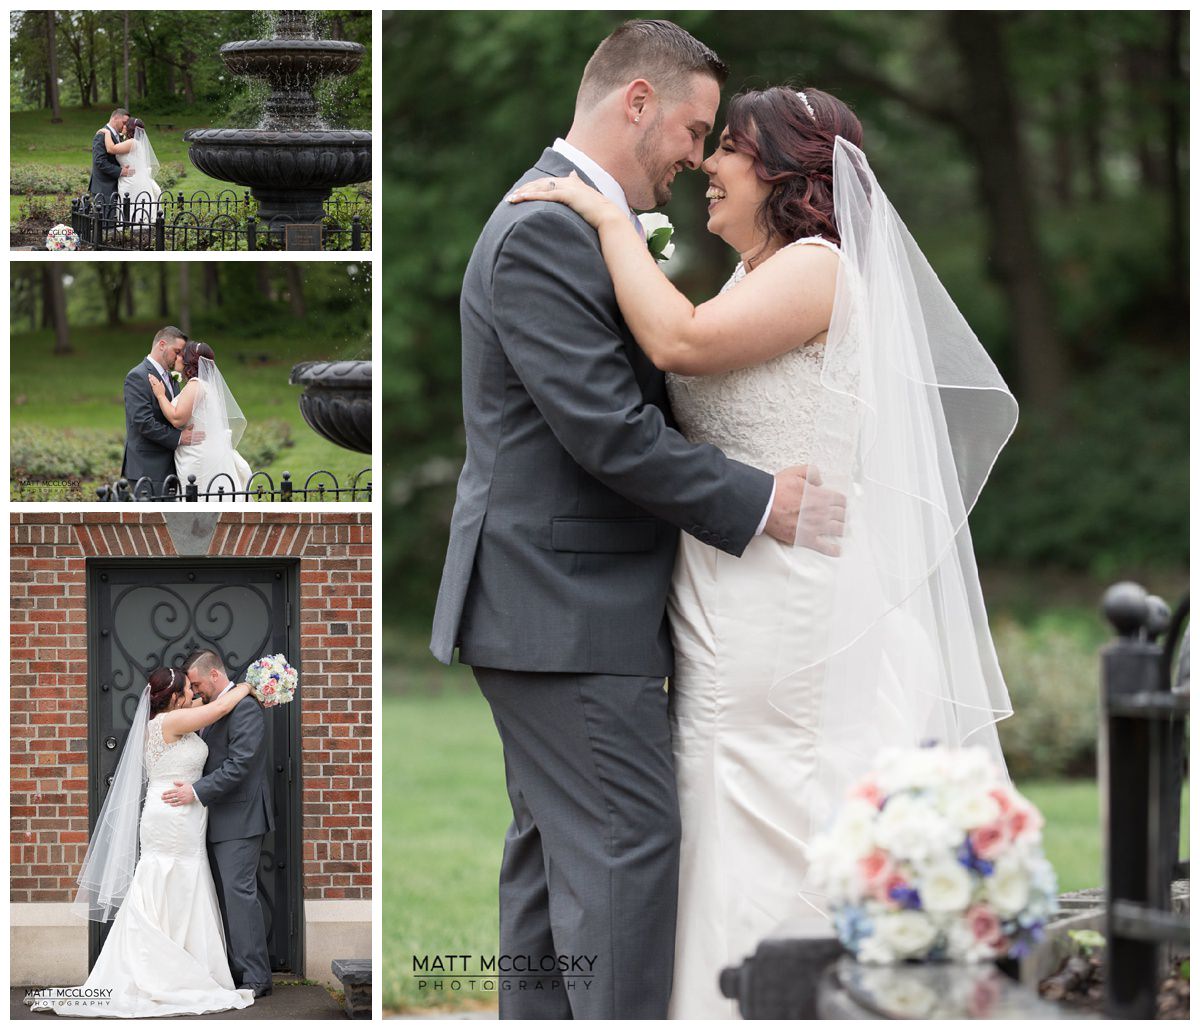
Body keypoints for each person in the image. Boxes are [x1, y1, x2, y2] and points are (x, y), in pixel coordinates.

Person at [510, 84, 1018, 1016]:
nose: (708, 163)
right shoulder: (756, 273)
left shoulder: (819, 268)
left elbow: (679, 342)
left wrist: (603, 214)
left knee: (769, 794)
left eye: (729, 147)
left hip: (791, 596)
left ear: (784, 172)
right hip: (730, 584)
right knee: (722, 796)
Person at [430, 20, 844, 1020]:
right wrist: (760, 501)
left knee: (554, 863)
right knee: (624, 851)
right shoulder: (544, 233)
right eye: (696, 129)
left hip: (562, 605)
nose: (698, 156)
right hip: (560, 605)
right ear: (637, 103)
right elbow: (607, 435)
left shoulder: (583, 227)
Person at [32, 668, 259, 1017]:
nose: (194, 693)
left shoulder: (165, 723)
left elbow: (203, 716)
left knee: (180, 880)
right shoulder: (170, 723)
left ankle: (184, 961)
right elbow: (217, 711)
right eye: (189, 689)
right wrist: (247, 684)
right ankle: (164, 967)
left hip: (180, 812)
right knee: (168, 877)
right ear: (176, 698)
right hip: (172, 814)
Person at [150, 340, 253, 498]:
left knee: (198, 500)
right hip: (201, 450)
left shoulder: (196, 385)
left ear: (188, 361)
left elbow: (177, 418)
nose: (177, 358)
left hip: (197, 456)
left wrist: (160, 395)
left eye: (180, 355)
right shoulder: (207, 386)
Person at [121, 326, 200, 495]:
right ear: (162, 344)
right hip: (148, 467)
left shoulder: (172, 379)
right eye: (177, 352)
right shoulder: (138, 376)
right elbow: (144, 422)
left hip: (171, 465)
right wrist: (179, 437)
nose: (180, 358)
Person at [88, 108, 136, 221]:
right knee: (105, 223)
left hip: (113, 185)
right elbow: (100, 161)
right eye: (124, 123)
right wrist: (120, 171)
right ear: (115, 118)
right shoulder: (101, 135)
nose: (125, 126)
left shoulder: (116, 135)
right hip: (103, 186)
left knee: (113, 221)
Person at [114, 117, 163, 227]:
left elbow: (111, 149)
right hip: (131, 178)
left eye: (126, 124)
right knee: (133, 206)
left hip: (130, 181)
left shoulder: (132, 143)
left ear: (129, 128)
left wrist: (105, 133)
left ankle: (129, 230)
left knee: (130, 206)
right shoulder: (136, 143)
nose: (123, 126)